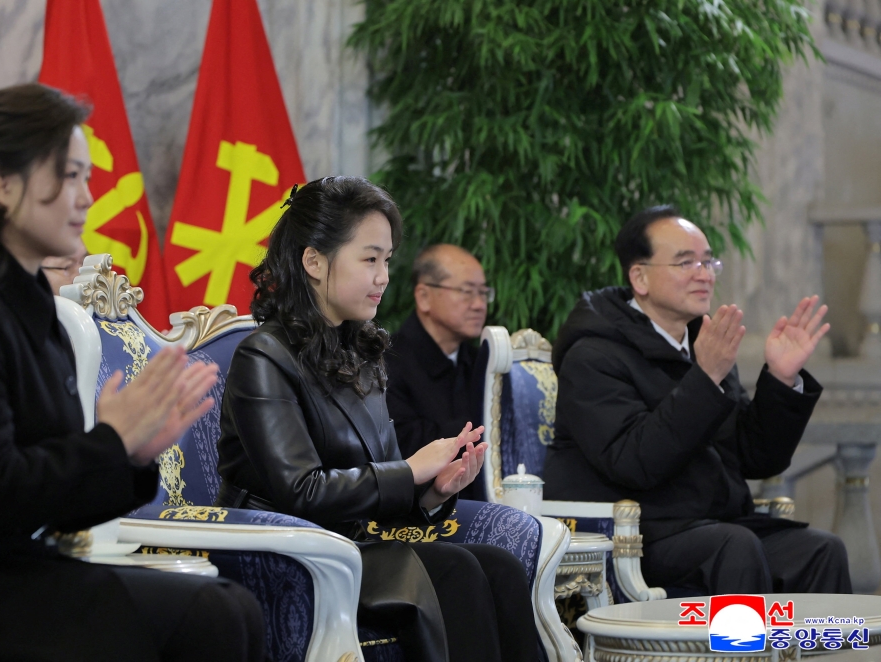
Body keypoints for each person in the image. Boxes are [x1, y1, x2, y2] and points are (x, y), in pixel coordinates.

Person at [0, 84, 268, 661]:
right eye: (68, 176)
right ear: (2, 183)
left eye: (86, 177)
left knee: (233, 607)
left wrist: (131, 454)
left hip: (20, 570)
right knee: (211, 616)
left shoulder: (30, 305)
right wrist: (111, 441)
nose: (87, 197)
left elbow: (53, 495)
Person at [216, 176, 542, 662]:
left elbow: (378, 486)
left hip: (356, 544)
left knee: (500, 566)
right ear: (314, 262)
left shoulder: (361, 351)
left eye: (387, 260)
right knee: (455, 569)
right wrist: (410, 470)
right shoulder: (263, 356)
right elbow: (302, 491)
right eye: (369, 259)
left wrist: (432, 492)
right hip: (291, 551)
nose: (384, 276)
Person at [541, 205, 851, 596]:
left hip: (713, 526)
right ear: (639, 277)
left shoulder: (701, 345)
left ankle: (818, 642)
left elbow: (756, 459)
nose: (704, 274)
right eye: (686, 263)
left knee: (821, 550)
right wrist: (704, 378)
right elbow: (634, 463)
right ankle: (738, 640)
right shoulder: (593, 354)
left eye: (708, 262)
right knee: (734, 548)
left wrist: (781, 378)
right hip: (637, 535)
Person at [386, 245, 491, 500]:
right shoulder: (386, 363)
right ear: (424, 296)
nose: (479, 305)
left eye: (483, 293)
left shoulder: (483, 363)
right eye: (466, 292)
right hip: (416, 507)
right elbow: (399, 449)